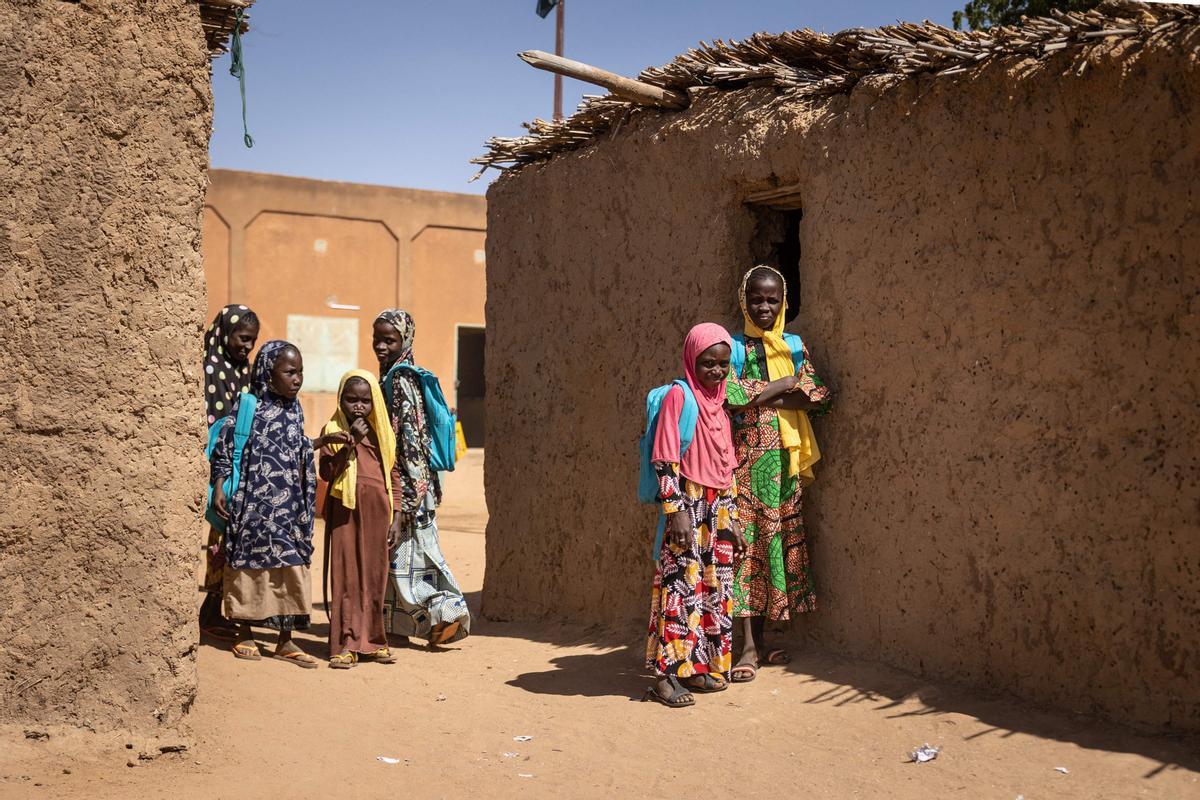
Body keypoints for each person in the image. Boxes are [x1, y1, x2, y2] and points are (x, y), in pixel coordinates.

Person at [725, 265, 832, 683]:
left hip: (784, 466)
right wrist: (786, 383)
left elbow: (820, 397)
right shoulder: (733, 347)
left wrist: (769, 395)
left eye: (772, 299)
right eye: (756, 299)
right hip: (745, 464)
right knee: (744, 553)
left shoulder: (795, 345)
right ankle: (745, 647)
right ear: (743, 301)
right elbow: (730, 397)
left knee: (772, 551)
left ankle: (762, 643)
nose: (764, 306)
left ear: (783, 302)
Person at [645, 323, 748, 708]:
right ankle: (666, 677)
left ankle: (699, 668)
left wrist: (733, 518)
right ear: (692, 359)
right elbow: (666, 456)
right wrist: (676, 513)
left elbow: (727, 467)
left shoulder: (719, 402)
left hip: (718, 509)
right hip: (688, 506)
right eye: (708, 364)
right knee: (679, 590)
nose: (716, 372)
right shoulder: (679, 396)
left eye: (723, 365)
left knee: (713, 591)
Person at [211, 340, 320, 668]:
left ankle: (285, 640)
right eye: (289, 372)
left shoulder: (295, 408)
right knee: (249, 566)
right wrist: (219, 485)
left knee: (290, 566)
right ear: (268, 374)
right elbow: (226, 447)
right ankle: (244, 631)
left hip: (288, 510)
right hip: (252, 507)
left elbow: (296, 448)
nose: (297, 379)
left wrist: (317, 444)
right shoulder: (249, 406)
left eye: (300, 372)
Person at [373, 310, 470, 646]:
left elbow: (411, 441)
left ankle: (448, 615)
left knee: (415, 557)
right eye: (378, 339)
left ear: (405, 340)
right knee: (404, 559)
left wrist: (409, 500)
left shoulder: (400, 380)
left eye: (390, 340)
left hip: (411, 489)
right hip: (407, 486)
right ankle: (399, 628)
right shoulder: (392, 375)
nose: (381, 346)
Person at [319, 370, 402, 668]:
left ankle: (374, 641)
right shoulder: (333, 430)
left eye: (365, 401)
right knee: (346, 576)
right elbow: (328, 473)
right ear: (341, 399)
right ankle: (345, 644)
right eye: (351, 399)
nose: (358, 407)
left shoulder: (383, 434)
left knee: (375, 576)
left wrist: (398, 517)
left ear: (374, 403)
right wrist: (350, 442)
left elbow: (393, 474)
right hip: (345, 513)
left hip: (379, 513)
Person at [199, 304, 260, 641]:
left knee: (227, 536)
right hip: (218, 465)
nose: (246, 346)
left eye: (252, 341)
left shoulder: (242, 370)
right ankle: (211, 611)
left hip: (237, 465)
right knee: (221, 533)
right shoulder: (211, 368)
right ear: (225, 333)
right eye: (242, 338)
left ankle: (213, 610)